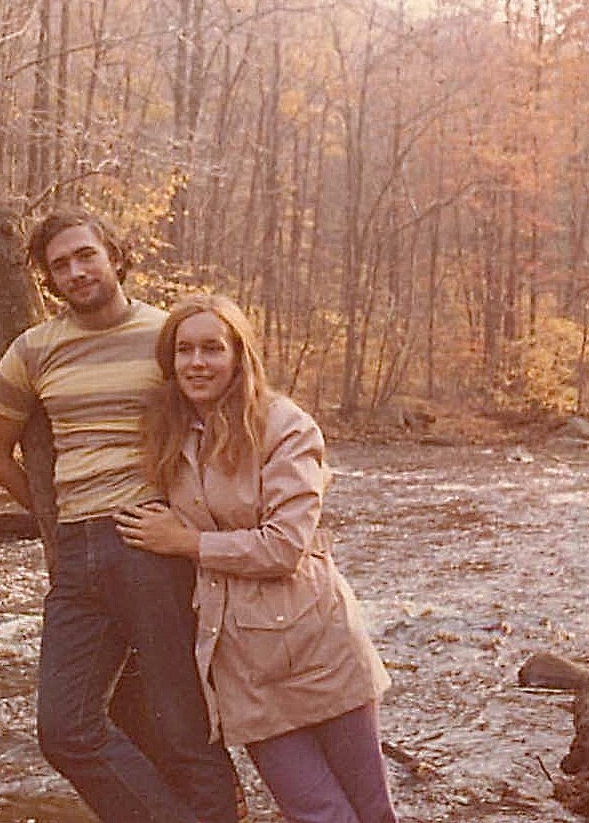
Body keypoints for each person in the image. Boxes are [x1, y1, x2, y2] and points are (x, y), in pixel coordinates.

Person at [0, 209, 239, 823]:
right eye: (60, 265)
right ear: (48, 279)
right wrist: (53, 523)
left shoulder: (166, 335)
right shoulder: (34, 350)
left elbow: (227, 421)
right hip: (76, 556)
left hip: (151, 543)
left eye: (84, 255)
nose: (75, 272)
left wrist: (196, 528)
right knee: (65, 729)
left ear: (114, 256)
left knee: (182, 725)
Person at [115, 293, 399, 823]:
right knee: (315, 812)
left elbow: (285, 545)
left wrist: (188, 543)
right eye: (184, 351)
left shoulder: (285, 426)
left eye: (212, 349)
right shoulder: (169, 435)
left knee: (371, 811)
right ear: (169, 362)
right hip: (239, 663)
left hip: (319, 646)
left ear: (239, 355)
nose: (197, 363)